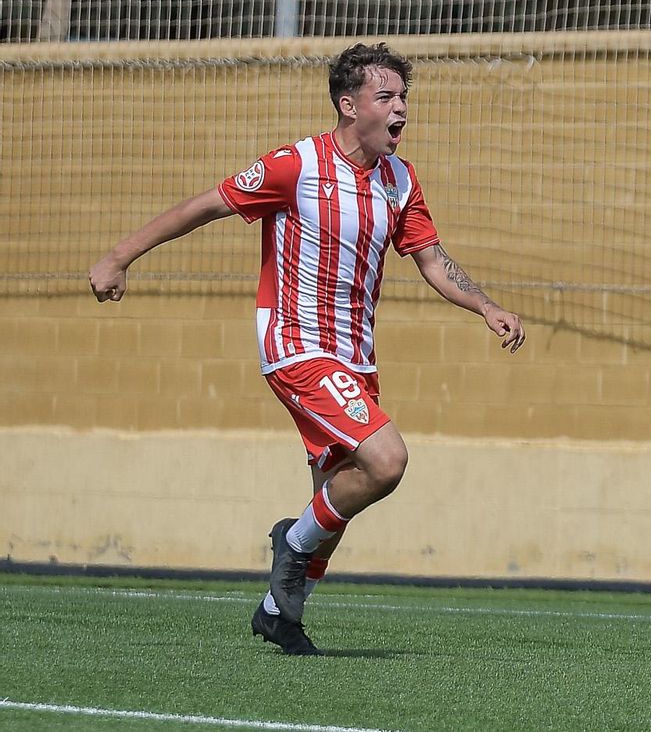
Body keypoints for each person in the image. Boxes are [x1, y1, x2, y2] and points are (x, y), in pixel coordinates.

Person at [89, 42, 525, 657]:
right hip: (296, 344)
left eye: (404, 98)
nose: (401, 109)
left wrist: (487, 305)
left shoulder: (401, 180)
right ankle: (290, 545)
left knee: (339, 492)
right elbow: (205, 206)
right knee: (386, 460)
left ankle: (278, 612)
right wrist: (116, 257)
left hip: (356, 356)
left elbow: (430, 258)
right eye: (387, 97)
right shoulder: (296, 165)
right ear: (349, 106)